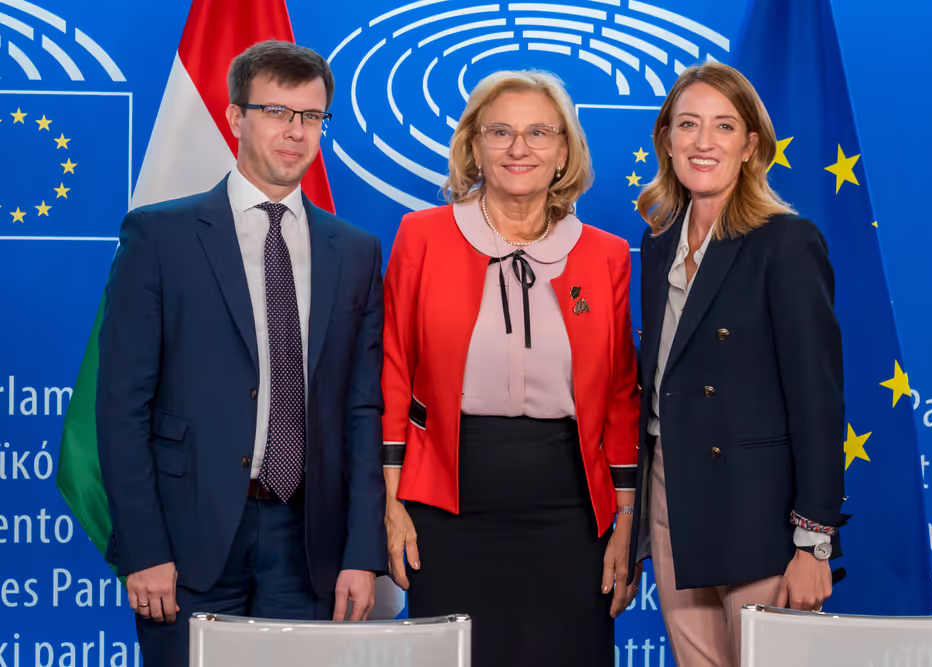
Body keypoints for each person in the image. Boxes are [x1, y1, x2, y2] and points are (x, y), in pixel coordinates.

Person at [96, 40, 386, 666]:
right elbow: (122, 409)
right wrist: (144, 548)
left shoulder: (356, 251)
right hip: (187, 536)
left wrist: (365, 552)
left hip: (310, 541)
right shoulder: (160, 236)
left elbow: (364, 412)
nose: (295, 131)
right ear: (234, 118)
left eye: (311, 116)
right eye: (278, 111)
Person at [380, 70, 642, 667]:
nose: (519, 149)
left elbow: (623, 397)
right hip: (446, 506)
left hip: (573, 510)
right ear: (475, 146)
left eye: (538, 133)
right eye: (500, 132)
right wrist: (391, 505)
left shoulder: (605, 253)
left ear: (564, 152)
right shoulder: (420, 236)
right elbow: (394, 371)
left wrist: (625, 522)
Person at [628, 62, 848, 667]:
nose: (703, 142)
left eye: (723, 126)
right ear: (666, 139)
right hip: (675, 495)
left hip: (759, 513)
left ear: (751, 145)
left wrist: (813, 544)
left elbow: (817, 402)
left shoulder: (786, 241)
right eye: (688, 125)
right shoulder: (657, 241)